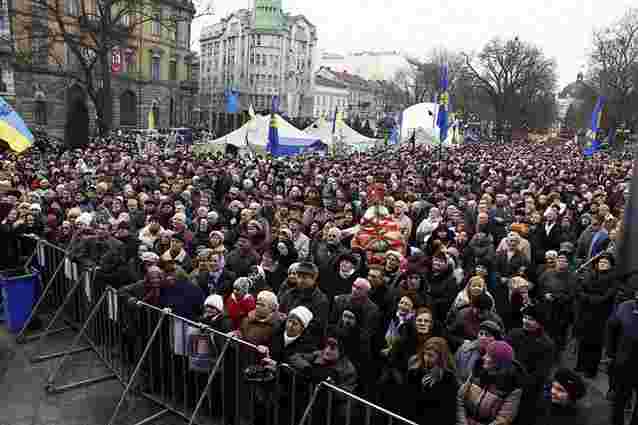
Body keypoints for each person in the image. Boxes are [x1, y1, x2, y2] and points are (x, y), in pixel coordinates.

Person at [456, 340, 524, 425]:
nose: (483, 357)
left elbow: (503, 418)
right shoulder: (477, 372)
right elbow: (460, 398)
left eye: (488, 355)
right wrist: (463, 422)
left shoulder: (512, 385)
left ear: (498, 363)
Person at [403, 337, 458, 425]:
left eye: (431, 356)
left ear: (440, 357)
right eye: (425, 354)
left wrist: (435, 384)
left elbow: (448, 410)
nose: (426, 358)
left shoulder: (448, 378)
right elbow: (407, 402)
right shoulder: (414, 373)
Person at [606, 289, 638, 425]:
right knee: (620, 398)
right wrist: (611, 353)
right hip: (625, 361)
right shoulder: (625, 307)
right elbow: (611, 328)